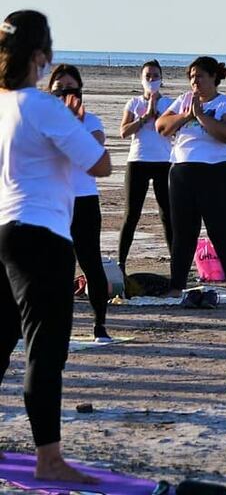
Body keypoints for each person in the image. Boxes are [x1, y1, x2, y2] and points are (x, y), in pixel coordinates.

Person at [0, 9, 111, 483]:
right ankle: (49, 459)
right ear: (40, 55)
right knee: (46, 352)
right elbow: (100, 164)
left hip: (5, 230)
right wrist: (72, 124)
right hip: (40, 235)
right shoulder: (38, 104)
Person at [156, 56, 226, 298]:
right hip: (183, 171)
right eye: (192, 76)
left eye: (200, 76)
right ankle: (177, 287)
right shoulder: (184, 100)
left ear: (214, 77)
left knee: (221, 230)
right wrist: (186, 116)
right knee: (183, 232)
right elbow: (161, 127)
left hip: (217, 171)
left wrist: (201, 116)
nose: (195, 81)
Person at [47, 65, 112, 341]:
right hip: (50, 202)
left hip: (83, 201)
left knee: (90, 262)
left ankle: (99, 325)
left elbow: (91, 154)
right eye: (58, 90)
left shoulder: (91, 121)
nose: (65, 95)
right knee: (49, 267)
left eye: (70, 89)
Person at [117, 59, 174, 276]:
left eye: (155, 76)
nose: (152, 80)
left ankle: (176, 263)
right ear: (141, 79)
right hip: (138, 161)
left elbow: (173, 130)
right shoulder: (133, 103)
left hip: (163, 162)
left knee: (167, 214)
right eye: (148, 76)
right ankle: (121, 263)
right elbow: (124, 131)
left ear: (162, 79)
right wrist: (144, 117)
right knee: (131, 214)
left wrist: (157, 114)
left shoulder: (169, 103)